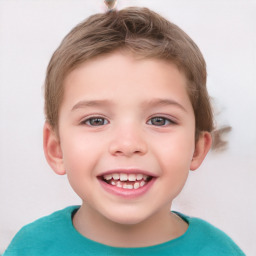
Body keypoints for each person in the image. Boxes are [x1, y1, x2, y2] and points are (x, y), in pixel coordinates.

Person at [3, 6, 245, 255]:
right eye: (96, 121)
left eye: (160, 120)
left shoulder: (219, 251)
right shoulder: (31, 248)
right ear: (56, 149)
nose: (128, 144)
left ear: (197, 148)